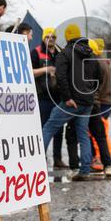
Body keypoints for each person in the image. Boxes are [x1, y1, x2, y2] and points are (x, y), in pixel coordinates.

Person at [41, 26, 99, 181]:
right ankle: (85, 170)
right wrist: (90, 95)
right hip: (87, 102)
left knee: (48, 127)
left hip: (71, 102)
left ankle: (36, 163)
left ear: (67, 38)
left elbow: (61, 77)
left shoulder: (65, 54)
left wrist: (67, 97)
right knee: (83, 135)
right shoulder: (90, 54)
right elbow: (97, 78)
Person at [32, 27, 66, 168]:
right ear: (43, 38)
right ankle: (41, 158)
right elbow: (30, 72)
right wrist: (47, 70)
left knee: (59, 130)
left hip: (58, 97)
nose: (51, 39)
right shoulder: (36, 52)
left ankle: (57, 159)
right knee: (42, 128)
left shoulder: (60, 52)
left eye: (53, 37)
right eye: (48, 37)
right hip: (43, 96)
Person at [87, 39, 111, 178]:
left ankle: (101, 159)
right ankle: (108, 158)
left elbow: (96, 86)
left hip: (101, 101)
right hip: (106, 100)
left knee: (97, 134)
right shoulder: (104, 62)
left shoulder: (96, 63)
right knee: (102, 132)